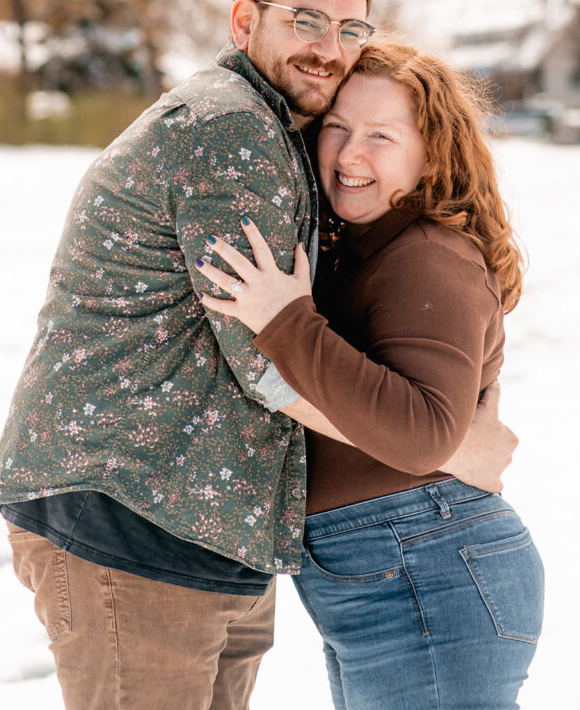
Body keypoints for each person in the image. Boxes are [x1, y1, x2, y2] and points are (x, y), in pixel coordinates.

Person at [0, 0, 517, 710]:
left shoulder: (276, 137)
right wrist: (449, 451)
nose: (328, 47)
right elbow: (266, 364)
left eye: (348, 28)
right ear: (244, 21)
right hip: (133, 516)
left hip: (206, 528)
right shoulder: (228, 130)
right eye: (303, 19)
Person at [196, 37, 544, 710]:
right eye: (337, 128)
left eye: (381, 136)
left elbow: (419, 436)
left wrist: (286, 320)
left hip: (427, 568)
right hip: (395, 568)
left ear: (429, 154)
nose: (350, 155)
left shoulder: (427, 257)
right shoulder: (363, 248)